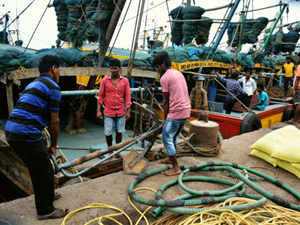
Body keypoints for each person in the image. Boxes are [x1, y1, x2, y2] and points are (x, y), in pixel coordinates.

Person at [5, 55, 69, 220]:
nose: (59, 73)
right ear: (54, 69)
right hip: (26, 132)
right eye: (59, 69)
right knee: (43, 170)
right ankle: (45, 210)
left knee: (40, 167)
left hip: (12, 131)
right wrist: (54, 146)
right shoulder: (53, 86)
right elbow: (55, 122)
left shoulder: (33, 84)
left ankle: (48, 196)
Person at [152, 51, 191, 176]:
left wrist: (165, 119)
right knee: (174, 137)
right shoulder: (178, 73)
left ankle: (175, 167)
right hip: (186, 110)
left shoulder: (164, 78)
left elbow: (166, 101)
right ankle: (172, 160)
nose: (158, 70)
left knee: (166, 137)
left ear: (163, 64)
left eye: (158, 66)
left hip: (176, 112)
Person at [97, 58, 131, 147]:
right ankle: (110, 149)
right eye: (112, 68)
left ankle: (117, 151)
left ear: (119, 69)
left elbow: (127, 97)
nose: (113, 70)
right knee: (108, 132)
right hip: (108, 111)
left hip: (121, 112)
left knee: (119, 132)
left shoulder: (125, 81)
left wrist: (128, 111)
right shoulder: (104, 81)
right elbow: (100, 96)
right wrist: (98, 110)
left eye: (115, 68)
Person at [292, 55, 300, 123]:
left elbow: (297, 78)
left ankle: (295, 119)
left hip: (299, 87)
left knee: (298, 103)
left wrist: (294, 88)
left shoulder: (299, 66)